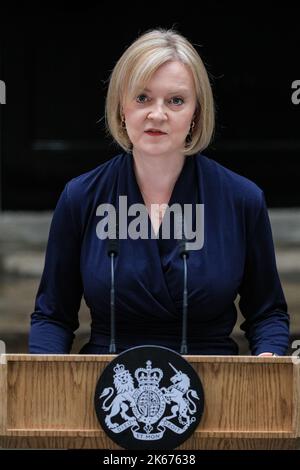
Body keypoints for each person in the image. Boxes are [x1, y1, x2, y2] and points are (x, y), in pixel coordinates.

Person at [29, 28, 289, 356]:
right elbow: (52, 316)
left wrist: (269, 360)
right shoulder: (80, 197)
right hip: (103, 389)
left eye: (176, 100)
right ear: (122, 106)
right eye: (143, 98)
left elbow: (268, 313)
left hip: (216, 391)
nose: (157, 114)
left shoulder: (243, 200)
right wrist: (43, 383)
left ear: (196, 113)